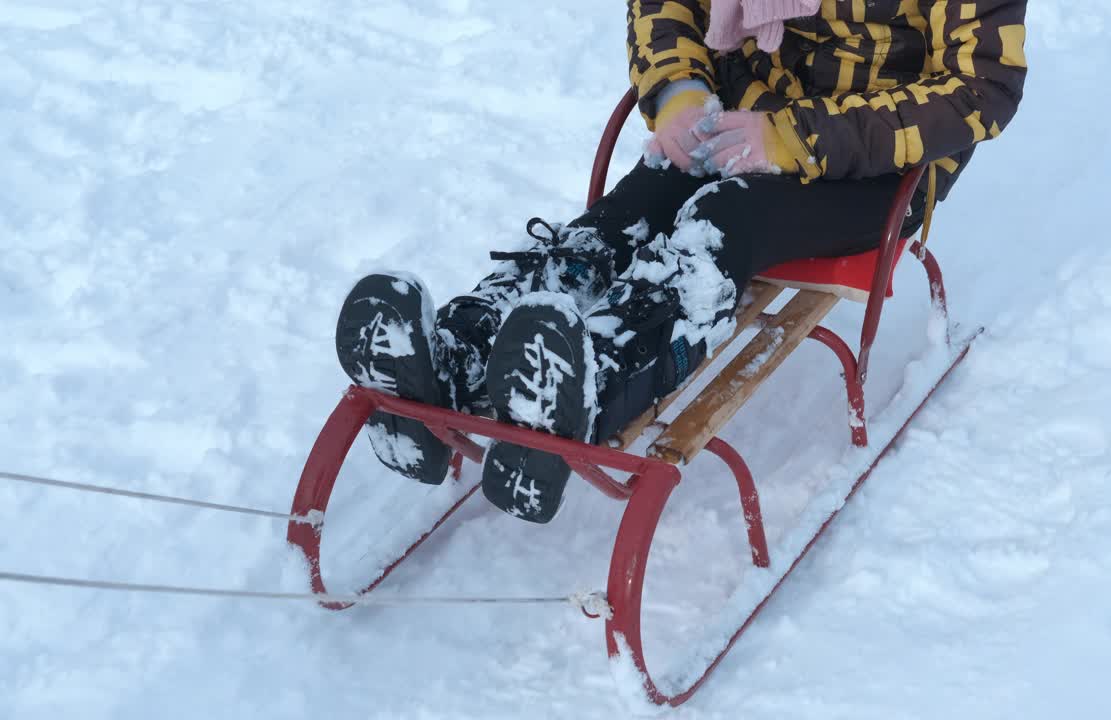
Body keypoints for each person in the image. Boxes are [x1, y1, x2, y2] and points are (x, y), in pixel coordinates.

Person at [334, 0, 1028, 523]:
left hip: (874, 162)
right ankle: (458, 355)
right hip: (737, 113)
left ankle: (594, 389)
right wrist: (680, 93)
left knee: (721, 223)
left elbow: (982, 88)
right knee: (620, 219)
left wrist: (793, 138)